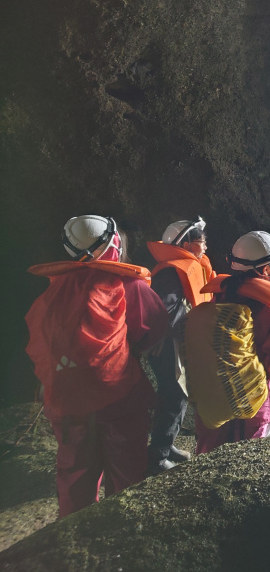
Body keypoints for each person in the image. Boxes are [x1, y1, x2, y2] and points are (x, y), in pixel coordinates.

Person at [25, 215, 168, 517]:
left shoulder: (51, 292)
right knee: (126, 472)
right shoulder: (130, 285)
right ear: (114, 242)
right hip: (118, 396)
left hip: (66, 399)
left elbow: (39, 343)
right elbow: (152, 329)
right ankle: (119, 537)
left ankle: (71, 538)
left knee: (75, 474)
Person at [192, 231, 270, 454]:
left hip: (217, 387)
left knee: (208, 455)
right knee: (245, 458)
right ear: (266, 269)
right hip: (255, 395)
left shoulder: (220, 295)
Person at [146, 217, 216, 474]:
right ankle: (157, 457)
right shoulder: (171, 271)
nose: (206, 245)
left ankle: (167, 443)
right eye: (201, 240)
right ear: (185, 243)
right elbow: (162, 310)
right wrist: (161, 338)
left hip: (178, 340)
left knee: (179, 396)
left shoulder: (185, 267)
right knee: (174, 396)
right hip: (168, 343)